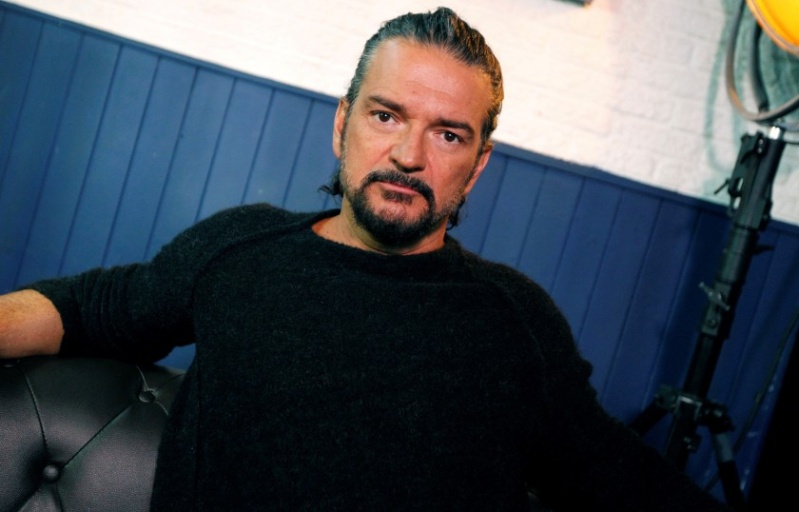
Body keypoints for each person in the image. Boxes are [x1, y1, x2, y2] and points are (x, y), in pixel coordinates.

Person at [0, 7, 732, 511]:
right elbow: (87, 308)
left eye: (448, 134)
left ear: (477, 165)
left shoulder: (515, 321)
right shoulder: (240, 248)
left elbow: (614, 476)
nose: (409, 155)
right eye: (386, 116)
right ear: (343, 123)